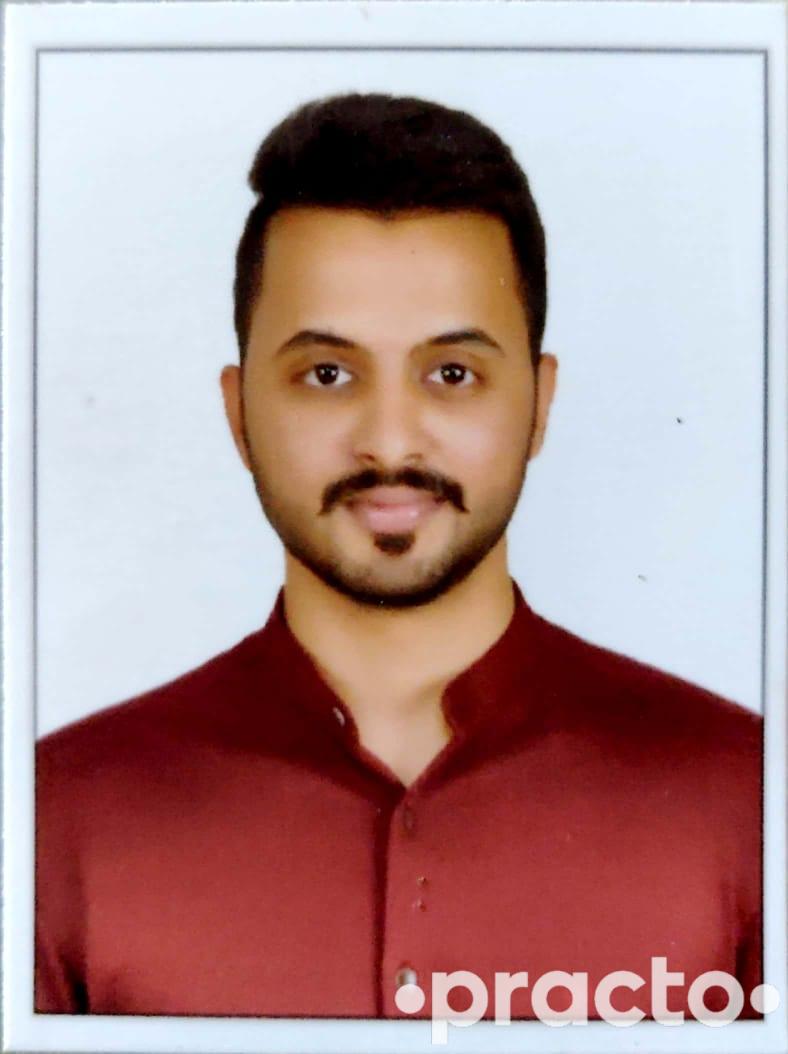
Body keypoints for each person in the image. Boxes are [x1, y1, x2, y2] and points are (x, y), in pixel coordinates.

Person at [35, 92, 761, 1020]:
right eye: (326, 374)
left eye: (452, 374)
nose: (388, 440)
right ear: (238, 412)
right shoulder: (53, 821)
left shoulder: (747, 801)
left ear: (539, 406)